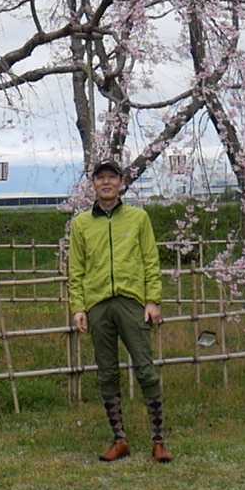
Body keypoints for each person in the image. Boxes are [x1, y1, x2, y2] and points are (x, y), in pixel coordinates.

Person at [67, 159, 171, 462]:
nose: (106, 182)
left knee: (146, 370)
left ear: (121, 183)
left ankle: (158, 439)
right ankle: (119, 438)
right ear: (93, 184)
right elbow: (76, 268)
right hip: (98, 305)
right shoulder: (81, 224)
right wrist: (78, 307)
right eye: (100, 178)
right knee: (107, 373)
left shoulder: (138, 218)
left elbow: (150, 260)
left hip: (132, 302)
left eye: (112, 177)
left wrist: (153, 300)